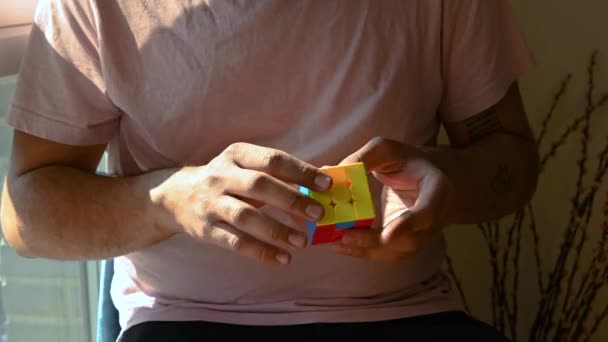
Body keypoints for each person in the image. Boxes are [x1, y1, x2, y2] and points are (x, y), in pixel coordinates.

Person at [0, 1, 539, 341]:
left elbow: (511, 162)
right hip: (185, 320)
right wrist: (171, 200)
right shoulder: (95, 7)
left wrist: (449, 183)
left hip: (404, 313)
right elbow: (26, 216)